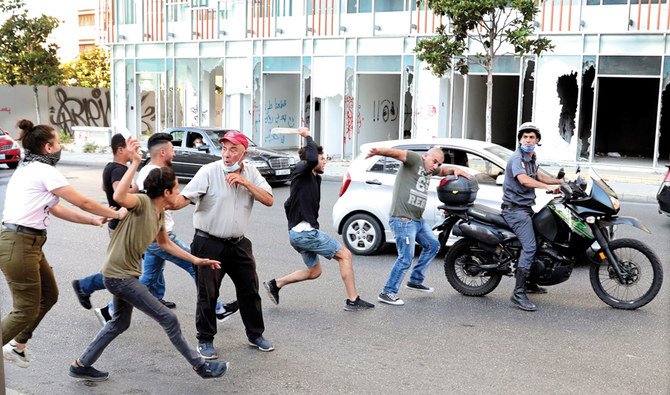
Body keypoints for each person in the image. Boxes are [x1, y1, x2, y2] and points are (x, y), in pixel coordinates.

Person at [69, 137, 229, 381]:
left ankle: (81, 364)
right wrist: (134, 161)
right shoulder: (142, 203)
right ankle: (200, 367)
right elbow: (120, 195)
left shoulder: (159, 214)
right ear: (166, 192)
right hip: (120, 277)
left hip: (123, 274)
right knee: (169, 318)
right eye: (177, 189)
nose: (179, 193)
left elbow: (165, 244)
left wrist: (196, 260)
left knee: (119, 324)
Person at [1, 119, 127, 369]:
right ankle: (12, 344)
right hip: (19, 243)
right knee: (25, 308)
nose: (61, 147)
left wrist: (93, 220)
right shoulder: (43, 170)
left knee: (49, 295)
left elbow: (57, 208)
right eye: (58, 142)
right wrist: (116, 213)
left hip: (29, 242)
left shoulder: (29, 168)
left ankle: (18, 345)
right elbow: (83, 201)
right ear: (48, 148)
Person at [171, 130, 274, 358]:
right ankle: (205, 339)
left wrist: (245, 183)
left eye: (233, 149)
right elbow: (183, 199)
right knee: (208, 293)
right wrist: (165, 201)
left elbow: (268, 199)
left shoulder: (251, 173)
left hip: (238, 244)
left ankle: (255, 335)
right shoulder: (208, 171)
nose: (226, 154)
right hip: (208, 243)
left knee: (250, 290)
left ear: (243, 154)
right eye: (224, 148)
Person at [262, 128, 374, 311]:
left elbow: (288, 204)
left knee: (315, 272)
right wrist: (307, 136)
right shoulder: (301, 171)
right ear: (311, 160)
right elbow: (311, 158)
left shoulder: (314, 179)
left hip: (299, 234)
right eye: (323, 159)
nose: (325, 162)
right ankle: (353, 300)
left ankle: (276, 284)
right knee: (345, 255)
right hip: (305, 234)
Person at [366, 146, 471, 306]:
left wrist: (456, 170)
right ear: (426, 156)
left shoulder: (429, 170)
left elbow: (443, 170)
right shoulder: (415, 160)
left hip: (417, 220)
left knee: (433, 245)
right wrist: (378, 151)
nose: (435, 166)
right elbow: (398, 154)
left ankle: (415, 280)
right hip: (403, 220)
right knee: (405, 258)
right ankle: (387, 292)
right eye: (434, 161)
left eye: (438, 163)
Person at [71, 133, 137, 313]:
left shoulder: (110, 167)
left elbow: (104, 187)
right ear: (121, 149)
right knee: (124, 271)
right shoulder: (119, 169)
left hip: (118, 223)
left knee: (131, 268)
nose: (134, 152)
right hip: (121, 223)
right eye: (131, 148)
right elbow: (119, 193)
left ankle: (151, 297)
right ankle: (86, 286)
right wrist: (136, 188)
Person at [501, 122, 563, 312]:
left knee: (540, 240)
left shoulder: (531, 157)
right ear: (520, 139)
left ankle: (529, 282)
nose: (528, 140)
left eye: (532, 137)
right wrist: (547, 188)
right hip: (515, 210)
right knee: (530, 247)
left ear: (537, 140)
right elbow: (525, 180)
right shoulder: (516, 158)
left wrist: (561, 181)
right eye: (525, 137)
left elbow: (539, 176)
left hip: (525, 208)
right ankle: (518, 293)